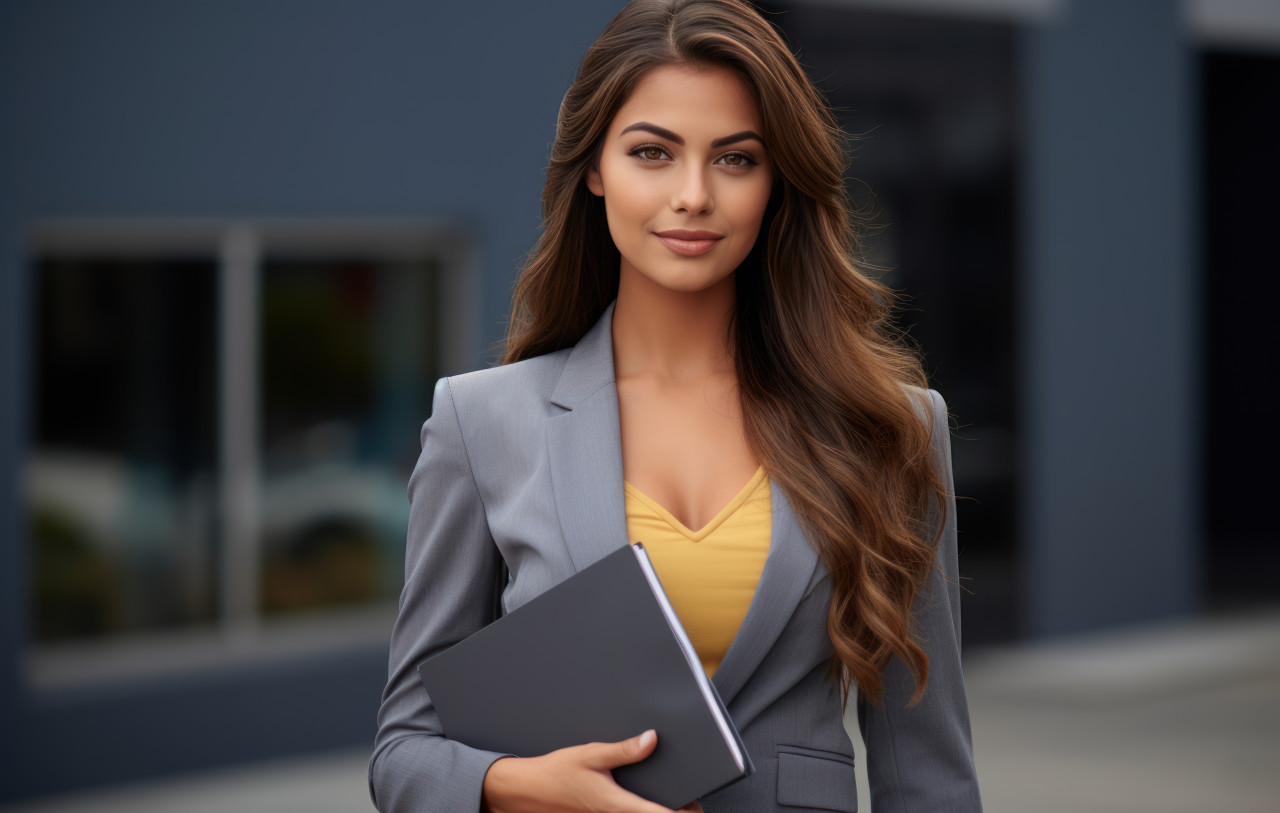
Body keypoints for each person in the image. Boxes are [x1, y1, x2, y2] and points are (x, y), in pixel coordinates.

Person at [368, 1, 983, 811]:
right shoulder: (483, 424)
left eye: (735, 159)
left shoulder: (889, 428)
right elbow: (404, 752)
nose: (693, 195)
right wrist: (520, 785)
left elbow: (930, 775)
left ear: (776, 182)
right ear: (594, 169)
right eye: (652, 153)